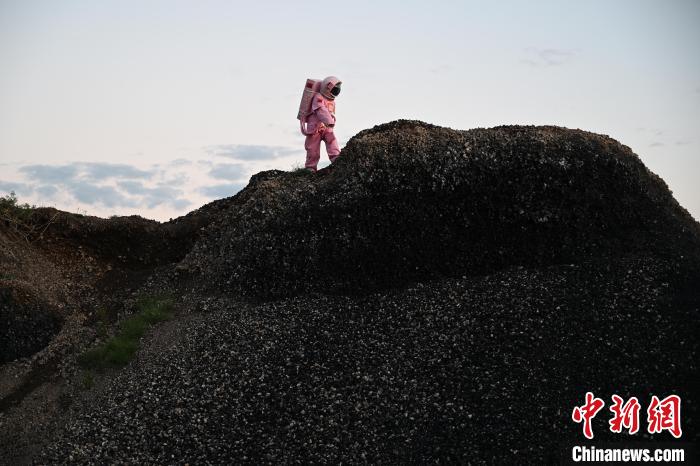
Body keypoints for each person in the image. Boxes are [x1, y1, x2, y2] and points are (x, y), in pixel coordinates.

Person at [304, 76, 342, 172]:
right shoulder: (318, 97)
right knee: (313, 149)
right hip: (315, 128)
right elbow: (321, 110)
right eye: (335, 89)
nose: (336, 91)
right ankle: (310, 167)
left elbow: (330, 112)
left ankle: (336, 158)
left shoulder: (331, 101)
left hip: (326, 127)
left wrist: (330, 121)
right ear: (327, 87)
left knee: (332, 141)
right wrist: (329, 121)